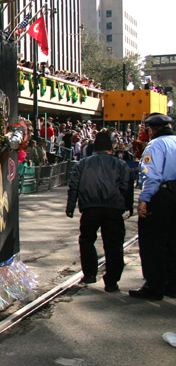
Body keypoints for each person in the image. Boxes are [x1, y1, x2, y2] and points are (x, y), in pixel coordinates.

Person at [66, 131, 131, 293]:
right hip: (113, 209)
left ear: (95, 147)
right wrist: (128, 206)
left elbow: (73, 184)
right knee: (114, 245)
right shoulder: (120, 164)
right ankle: (111, 281)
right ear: (111, 147)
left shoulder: (83, 163)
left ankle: (90, 274)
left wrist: (71, 206)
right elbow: (126, 187)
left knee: (87, 240)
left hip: (90, 208)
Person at [131, 113, 176, 300]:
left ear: (151, 129)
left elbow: (152, 175)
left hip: (162, 196)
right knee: (173, 242)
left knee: (153, 242)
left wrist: (144, 198)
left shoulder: (156, 145)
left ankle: (154, 285)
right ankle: (172, 285)